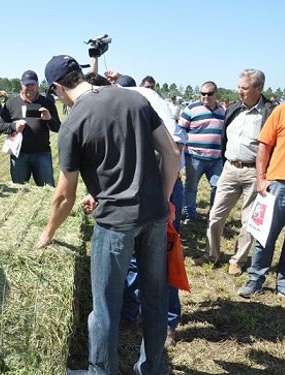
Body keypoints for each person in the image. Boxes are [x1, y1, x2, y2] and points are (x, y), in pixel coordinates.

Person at [37, 55, 180, 375]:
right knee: (155, 299)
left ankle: (101, 371)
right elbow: (171, 152)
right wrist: (166, 199)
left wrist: (48, 232)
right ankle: (152, 368)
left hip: (115, 223)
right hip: (154, 215)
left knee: (103, 309)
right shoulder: (134, 99)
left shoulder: (74, 121)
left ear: (58, 87)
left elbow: (64, 195)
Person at [195, 69, 276, 275]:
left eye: (245, 88)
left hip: (254, 173)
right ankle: (211, 254)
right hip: (230, 168)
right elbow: (224, 138)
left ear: (259, 88)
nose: (239, 91)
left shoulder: (270, 111)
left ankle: (237, 261)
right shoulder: (233, 109)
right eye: (239, 87)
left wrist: (264, 175)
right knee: (215, 215)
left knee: (248, 221)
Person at [237, 92, 285, 306]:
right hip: (279, 183)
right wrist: (261, 179)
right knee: (265, 235)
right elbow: (264, 145)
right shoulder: (284, 110)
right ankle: (255, 279)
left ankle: (284, 284)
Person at [0, 70, 61, 186]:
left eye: (33, 84)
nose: (30, 88)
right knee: (18, 190)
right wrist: (13, 126)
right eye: (27, 85)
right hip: (19, 155)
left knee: (47, 190)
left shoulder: (46, 102)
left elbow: (58, 128)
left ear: (37, 85)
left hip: (42, 154)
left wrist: (49, 119)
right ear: (21, 85)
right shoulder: (11, 103)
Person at [179, 81, 226, 223]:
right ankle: (189, 215)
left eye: (209, 94)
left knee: (218, 187)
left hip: (216, 159)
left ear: (216, 94)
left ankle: (213, 216)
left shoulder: (222, 111)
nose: (205, 96)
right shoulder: (191, 109)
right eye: (203, 93)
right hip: (194, 157)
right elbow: (180, 131)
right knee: (191, 187)